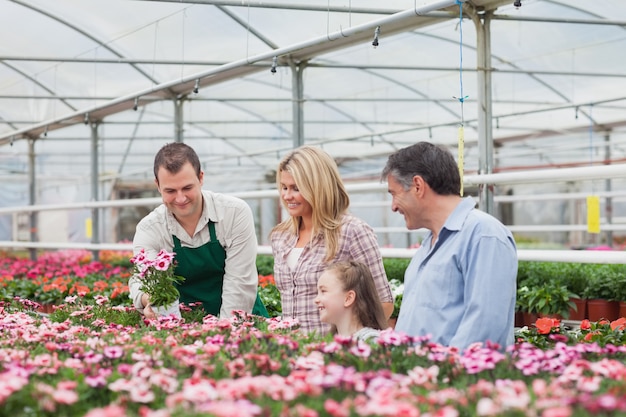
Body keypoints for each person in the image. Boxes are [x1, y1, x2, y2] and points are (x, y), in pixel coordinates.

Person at [381, 141, 517, 351]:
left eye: (394, 193)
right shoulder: (429, 244)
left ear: (418, 186)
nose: (393, 206)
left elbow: (485, 326)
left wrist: (443, 373)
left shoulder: (483, 235)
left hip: (450, 380)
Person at [129, 142, 268, 319]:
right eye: (170, 190)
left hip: (241, 322)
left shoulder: (234, 213)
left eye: (187, 188)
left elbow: (239, 284)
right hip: (186, 324)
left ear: (201, 178)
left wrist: (224, 335)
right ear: (157, 185)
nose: (180, 198)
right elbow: (143, 278)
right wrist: (148, 298)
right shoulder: (150, 229)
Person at [270, 145, 394, 335]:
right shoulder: (281, 237)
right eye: (284, 187)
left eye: (296, 188)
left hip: (333, 353)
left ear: (318, 187)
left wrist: (344, 342)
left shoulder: (352, 232)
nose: (287, 196)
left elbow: (383, 303)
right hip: (292, 351)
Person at [314, 260, 388, 342]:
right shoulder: (332, 343)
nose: (316, 300)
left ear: (348, 298)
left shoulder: (371, 341)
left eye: (323, 291)